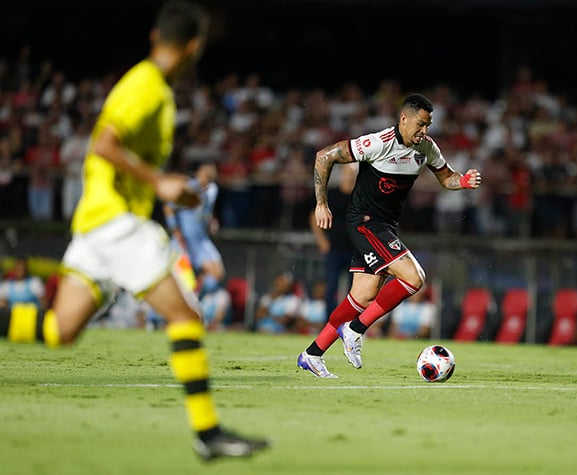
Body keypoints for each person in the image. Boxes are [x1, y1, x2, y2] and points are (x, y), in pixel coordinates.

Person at [0, 2, 268, 459]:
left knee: (58, 330)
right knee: (186, 316)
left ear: (154, 37)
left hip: (97, 222)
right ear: (194, 47)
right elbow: (103, 143)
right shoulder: (148, 88)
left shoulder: (148, 86)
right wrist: (157, 182)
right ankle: (208, 435)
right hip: (116, 222)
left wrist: (171, 189)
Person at [297, 93, 482, 378]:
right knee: (414, 277)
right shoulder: (378, 143)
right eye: (420, 124)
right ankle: (356, 329)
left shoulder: (427, 149)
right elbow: (324, 156)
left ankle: (312, 354)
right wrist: (322, 203)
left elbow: (447, 177)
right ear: (403, 119)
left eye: (428, 125)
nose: (425, 131)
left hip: (385, 226)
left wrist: (464, 181)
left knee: (361, 297)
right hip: (366, 223)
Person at [163, 161, 224, 290]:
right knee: (179, 280)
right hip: (183, 241)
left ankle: (196, 298)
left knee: (217, 274)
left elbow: (206, 211)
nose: (205, 178)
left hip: (200, 239)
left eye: (209, 176)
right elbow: (168, 208)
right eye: (204, 174)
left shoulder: (212, 190)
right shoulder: (189, 189)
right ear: (198, 173)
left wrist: (211, 220)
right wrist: (176, 231)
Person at [309, 163, 357, 314]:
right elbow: (314, 216)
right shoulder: (332, 194)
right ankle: (329, 323)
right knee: (331, 287)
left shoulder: (360, 196)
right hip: (335, 248)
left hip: (355, 250)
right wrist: (321, 240)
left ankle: (349, 323)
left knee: (354, 291)